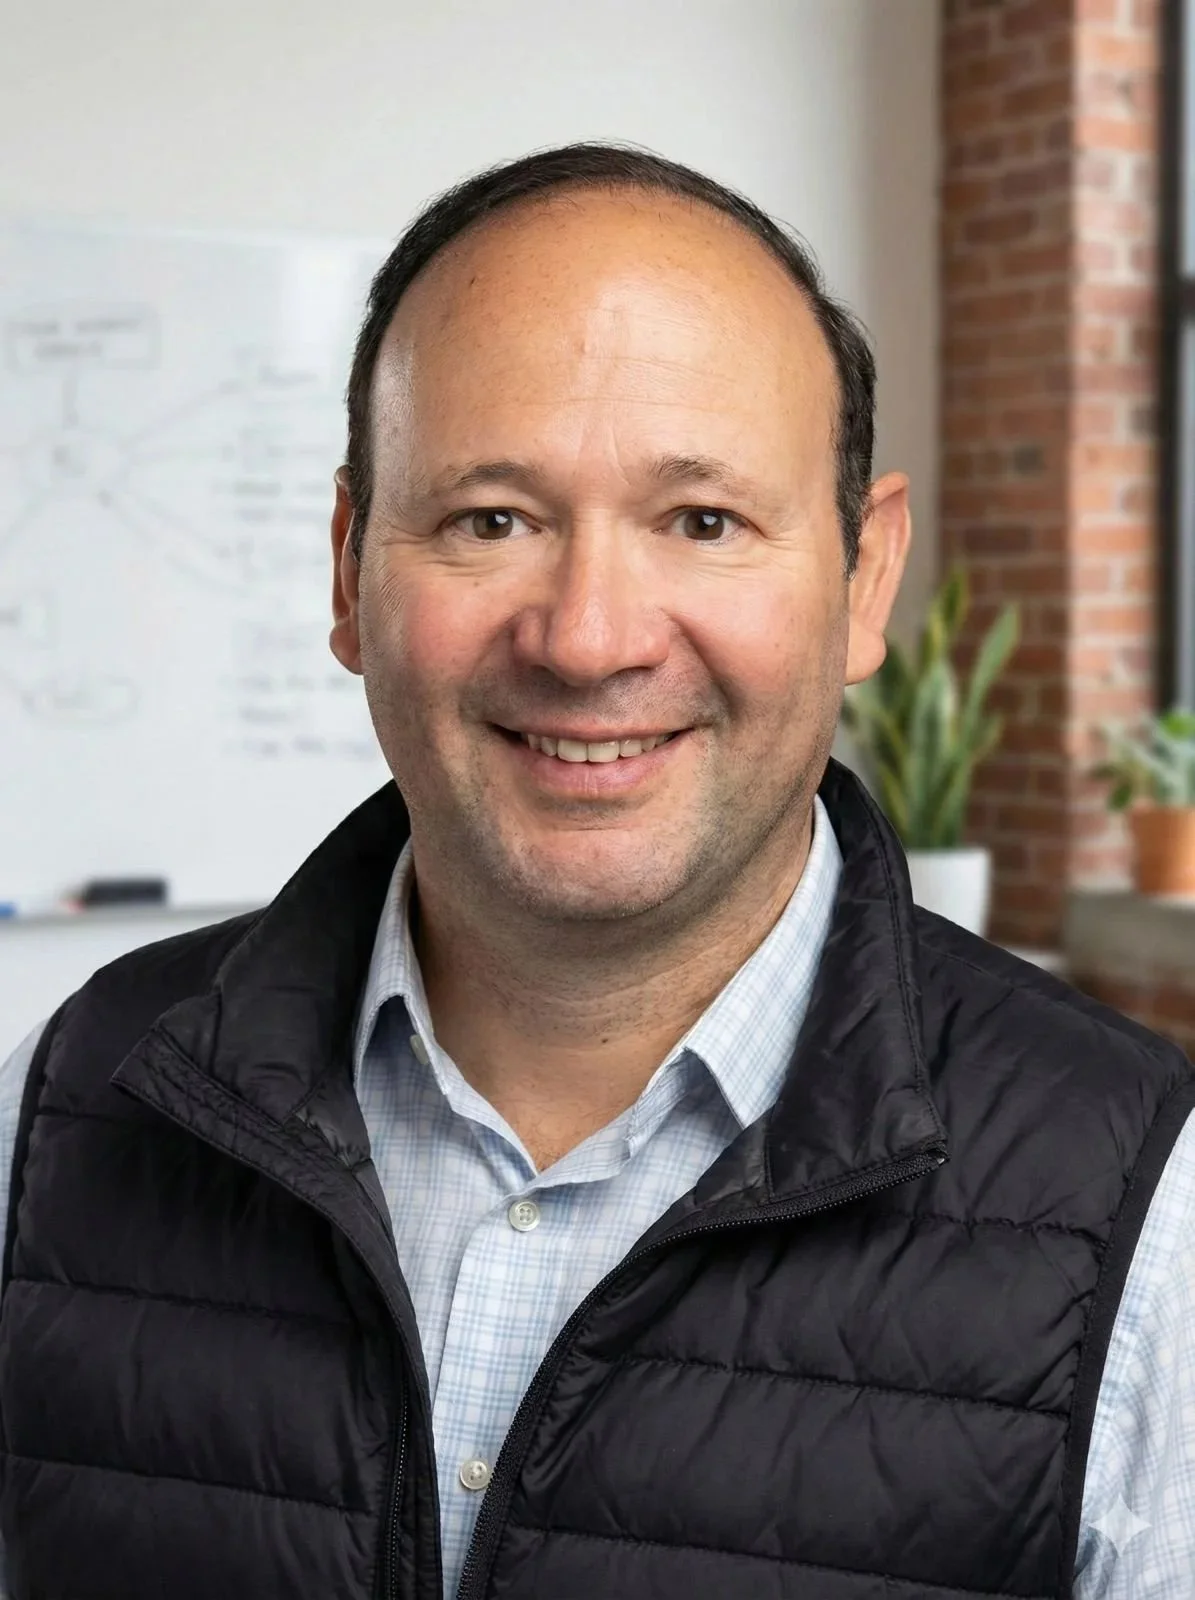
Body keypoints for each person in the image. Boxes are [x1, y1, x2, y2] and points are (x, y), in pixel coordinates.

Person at [0, 144, 1192, 1600]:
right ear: (349, 567)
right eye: (490, 519)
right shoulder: (60, 1109)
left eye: (702, 521)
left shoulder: (1149, 1216)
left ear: (863, 576)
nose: (586, 638)